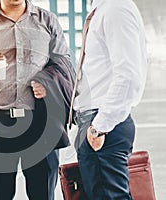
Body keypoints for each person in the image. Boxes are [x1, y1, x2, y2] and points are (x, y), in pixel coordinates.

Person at [0, 0, 73, 199]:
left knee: (42, 193)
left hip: (41, 119)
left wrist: (45, 81)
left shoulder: (47, 20)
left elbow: (63, 61)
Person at [71, 0, 147, 199]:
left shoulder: (116, 8)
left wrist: (100, 126)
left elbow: (128, 75)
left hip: (103, 126)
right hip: (96, 122)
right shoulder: (102, 9)